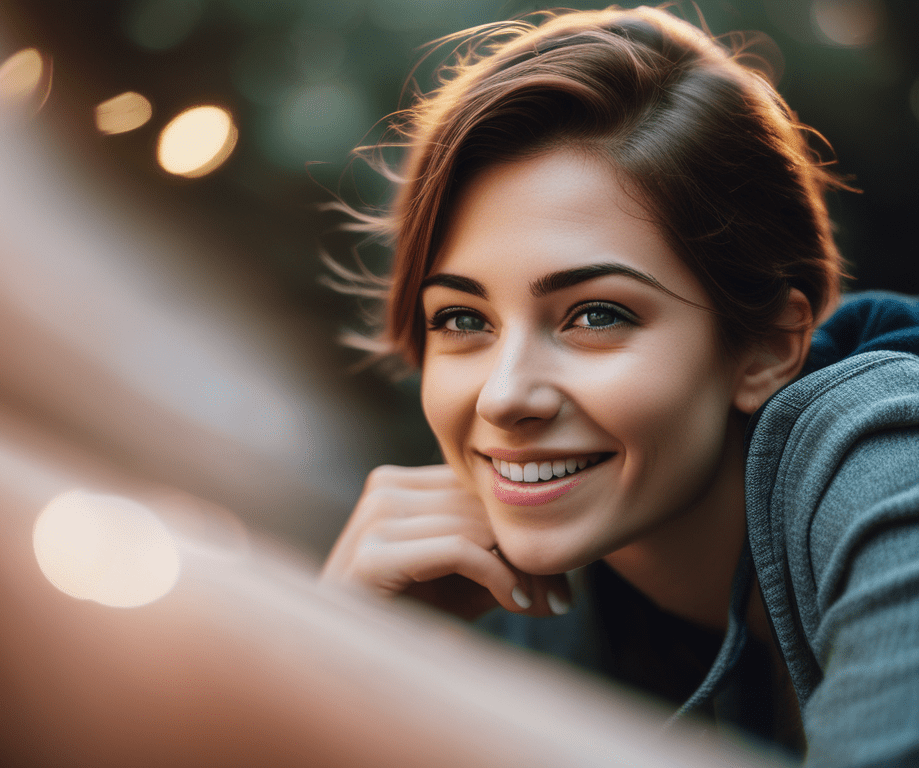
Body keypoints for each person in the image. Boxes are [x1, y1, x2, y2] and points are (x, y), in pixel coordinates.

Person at [322, 6, 919, 766]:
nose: (504, 398)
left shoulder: (890, 464)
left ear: (768, 346)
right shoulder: (508, 600)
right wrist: (345, 650)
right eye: (464, 319)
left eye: (594, 314)